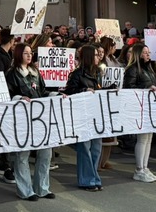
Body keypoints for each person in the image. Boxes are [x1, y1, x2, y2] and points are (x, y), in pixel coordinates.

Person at [6, 42, 55, 200]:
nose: (29, 55)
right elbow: (8, 95)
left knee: (46, 152)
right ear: (19, 54)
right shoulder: (12, 73)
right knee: (23, 154)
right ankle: (25, 190)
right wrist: (20, 98)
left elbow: (42, 91)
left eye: (30, 53)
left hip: (40, 117)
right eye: (26, 53)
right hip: (23, 118)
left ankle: (42, 187)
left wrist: (54, 95)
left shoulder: (36, 72)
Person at [64, 44, 104, 191]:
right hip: (83, 116)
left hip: (95, 114)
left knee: (96, 148)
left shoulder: (98, 73)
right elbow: (70, 92)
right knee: (85, 148)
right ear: (88, 57)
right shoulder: (76, 75)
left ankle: (93, 177)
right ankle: (87, 180)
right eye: (95, 55)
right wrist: (83, 90)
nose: (98, 57)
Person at [123, 43, 156, 183]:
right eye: (146, 52)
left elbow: (154, 86)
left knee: (148, 138)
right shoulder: (133, 70)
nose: (148, 54)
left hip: (150, 107)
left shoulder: (149, 69)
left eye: (149, 52)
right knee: (142, 139)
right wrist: (146, 87)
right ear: (139, 54)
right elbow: (129, 88)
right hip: (140, 108)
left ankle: (145, 167)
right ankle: (139, 169)